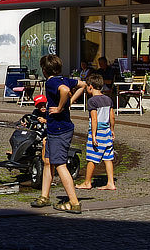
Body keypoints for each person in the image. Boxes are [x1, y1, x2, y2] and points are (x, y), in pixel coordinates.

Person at [31, 53, 86, 213]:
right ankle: (44, 196)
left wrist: (62, 106)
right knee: (48, 161)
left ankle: (74, 202)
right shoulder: (63, 78)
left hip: (60, 130)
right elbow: (82, 85)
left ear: (44, 70)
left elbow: (65, 90)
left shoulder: (52, 82)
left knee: (60, 164)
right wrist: (70, 102)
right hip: (55, 129)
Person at [76, 73, 116, 190]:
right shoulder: (108, 99)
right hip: (107, 132)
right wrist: (112, 130)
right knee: (108, 158)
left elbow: (94, 119)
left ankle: (87, 182)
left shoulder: (92, 101)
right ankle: (110, 182)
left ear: (90, 87)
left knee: (92, 158)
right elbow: (112, 117)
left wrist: (93, 135)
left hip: (98, 132)